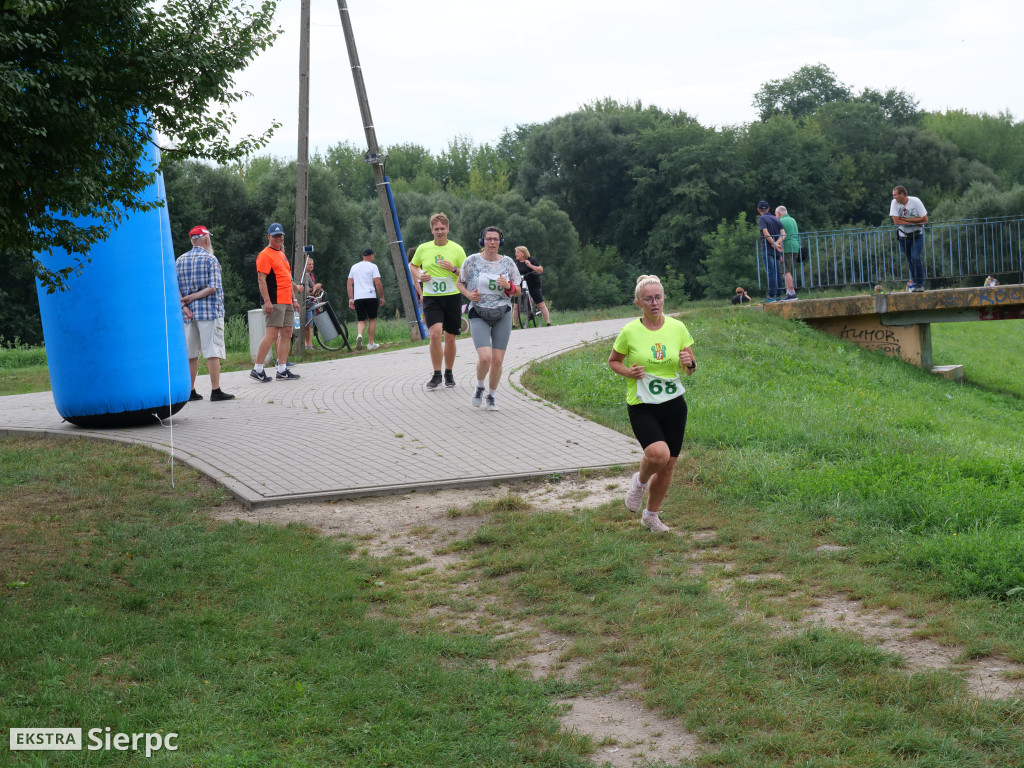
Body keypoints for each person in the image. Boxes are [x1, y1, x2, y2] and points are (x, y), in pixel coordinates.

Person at [608, 275, 696, 533]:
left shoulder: (678, 328)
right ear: (639, 303)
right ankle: (640, 481)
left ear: (664, 298)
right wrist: (629, 373)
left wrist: (689, 363)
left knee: (668, 466)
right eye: (648, 299)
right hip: (642, 404)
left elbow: (690, 367)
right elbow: (614, 361)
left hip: (674, 404)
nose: (654, 303)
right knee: (659, 454)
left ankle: (651, 515)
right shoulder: (630, 331)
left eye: (658, 297)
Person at [457, 226, 521, 411]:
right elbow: (459, 282)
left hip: (502, 312)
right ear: (482, 241)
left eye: (495, 239)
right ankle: (479, 386)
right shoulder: (472, 261)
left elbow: (517, 290)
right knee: (485, 358)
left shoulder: (508, 263)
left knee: (498, 360)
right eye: (488, 239)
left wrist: (507, 285)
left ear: (500, 241)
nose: (492, 242)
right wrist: (469, 295)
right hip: (479, 312)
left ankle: (491, 396)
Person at [176, 225, 234, 402]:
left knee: (191, 353)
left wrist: (184, 304)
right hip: (209, 312)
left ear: (191, 240)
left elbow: (175, 287)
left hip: (187, 314)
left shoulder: (179, 260)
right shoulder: (211, 259)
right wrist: (193, 296)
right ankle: (215, 390)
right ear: (207, 240)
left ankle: (190, 391)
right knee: (212, 351)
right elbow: (213, 287)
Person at [410, 212, 466, 389]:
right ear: (432, 230)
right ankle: (436, 374)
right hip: (431, 298)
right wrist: (419, 275)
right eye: (436, 229)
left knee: (450, 337)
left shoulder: (457, 249)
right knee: (435, 334)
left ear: (448, 229)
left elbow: (467, 273)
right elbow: (412, 265)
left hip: (451, 297)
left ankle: (449, 372)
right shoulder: (423, 248)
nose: (440, 231)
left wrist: (453, 268)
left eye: (443, 228)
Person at [251, 222, 301, 382]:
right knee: (271, 334)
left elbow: (287, 278)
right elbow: (261, 279)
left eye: (280, 236)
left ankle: (282, 369)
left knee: (287, 333)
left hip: (286, 300)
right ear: (269, 237)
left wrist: (294, 298)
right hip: (274, 301)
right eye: (275, 236)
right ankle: (257, 369)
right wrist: (267, 301)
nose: (278, 239)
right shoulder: (265, 254)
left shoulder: (282, 254)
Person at [890, 186, 928, 292]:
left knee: (915, 258)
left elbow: (925, 220)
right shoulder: (894, 203)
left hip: (917, 235)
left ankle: (920, 284)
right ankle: (915, 284)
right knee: (910, 260)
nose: (893, 197)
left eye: (895, 194)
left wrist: (903, 219)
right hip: (903, 236)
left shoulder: (915, 201)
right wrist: (916, 221)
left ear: (902, 194)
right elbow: (896, 222)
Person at [347, 247, 385, 351]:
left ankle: (359, 335)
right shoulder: (373, 266)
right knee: (372, 319)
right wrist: (381, 296)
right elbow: (377, 282)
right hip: (370, 296)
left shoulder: (354, 267)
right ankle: (370, 344)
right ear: (371, 255)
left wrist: (351, 299)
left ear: (363, 256)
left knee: (361, 320)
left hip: (358, 297)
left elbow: (349, 283)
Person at [511, 245, 551, 326]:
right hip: (520, 284)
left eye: (517, 252)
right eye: (516, 253)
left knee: (541, 304)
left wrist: (531, 266)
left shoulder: (531, 260)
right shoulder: (515, 262)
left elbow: (540, 270)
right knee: (516, 306)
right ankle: (514, 324)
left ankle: (548, 322)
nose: (516, 254)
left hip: (532, 284)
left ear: (523, 253)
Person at [757, 200, 785, 302]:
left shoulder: (762, 218)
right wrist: (777, 244)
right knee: (778, 272)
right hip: (777, 250)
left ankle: (771, 296)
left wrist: (773, 243)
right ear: (768, 209)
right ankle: (778, 296)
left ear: (758, 210)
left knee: (771, 273)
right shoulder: (776, 219)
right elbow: (783, 234)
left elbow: (765, 232)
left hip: (767, 248)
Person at [776, 205, 800, 301]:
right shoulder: (793, 220)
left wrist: (779, 248)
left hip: (786, 247)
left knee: (785, 271)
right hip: (795, 247)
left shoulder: (780, 221)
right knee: (790, 271)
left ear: (778, 213)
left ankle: (791, 294)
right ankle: (789, 292)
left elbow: (782, 235)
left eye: (775, 214)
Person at [301, 256, 322, 351]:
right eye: (309, 264)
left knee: (310, 324)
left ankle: (310, 344)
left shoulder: (309, 275)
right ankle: (307, 345)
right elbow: (308, 291)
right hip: (306, 301)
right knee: (307, 324)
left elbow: (312, 289)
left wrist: (315, 288)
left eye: (312, 264)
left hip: (311, 301)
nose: (311, 266)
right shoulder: (302, 275)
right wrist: (315, 287)